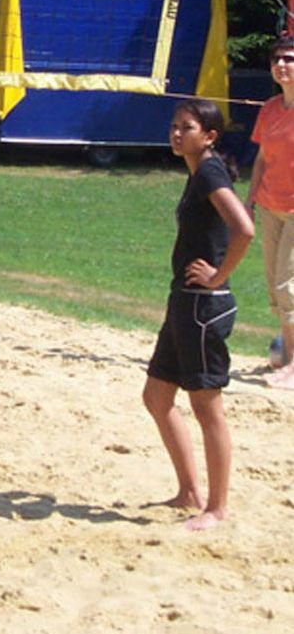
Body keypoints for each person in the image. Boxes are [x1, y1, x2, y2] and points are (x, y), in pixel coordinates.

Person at [142, 98, 252, 532]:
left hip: (203, 306)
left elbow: (244, 227)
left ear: (208, 137)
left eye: (185, 127)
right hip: (183, 302)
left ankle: (218, 508)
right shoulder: (197, 171)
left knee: (208, 408)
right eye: (174, 125)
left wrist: (217, 275)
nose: (176, 132)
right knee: (156, 397)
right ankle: (189, 492)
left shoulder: (208, 170)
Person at [245, 33, 294, 389]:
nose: (282, 65)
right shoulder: (271, 109)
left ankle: (293, 363)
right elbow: (262, 159)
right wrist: (247, 203)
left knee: (288, 285)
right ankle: (289, 356)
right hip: (270, 207)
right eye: (277, 59)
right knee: (274, 289)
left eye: (289, 59)